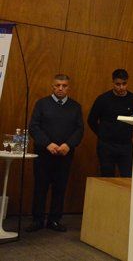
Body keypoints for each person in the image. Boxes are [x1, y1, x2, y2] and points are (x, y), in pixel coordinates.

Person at [27, 74, 83, 232]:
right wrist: (47, 143)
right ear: (52, 86)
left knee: (60, 187)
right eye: (57, 85)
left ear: (68, 87)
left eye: (64, 85)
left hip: (65, 154)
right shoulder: (42, 104)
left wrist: (68, 145)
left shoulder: (75, 106)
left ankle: (54, 220)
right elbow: (34, 127)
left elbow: (79, 130)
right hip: (43, 153)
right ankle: (37, 220)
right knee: (40, 187)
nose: (60, 88)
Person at [88, 69, 133, 177]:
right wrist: (102, 134)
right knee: (107, 176)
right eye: (118, 84)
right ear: (113, 82)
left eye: (124, 84)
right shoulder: (103, 99)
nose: (121, 87)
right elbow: (91, 120)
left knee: (128, 176)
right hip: (106, 145)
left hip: (126, 145)